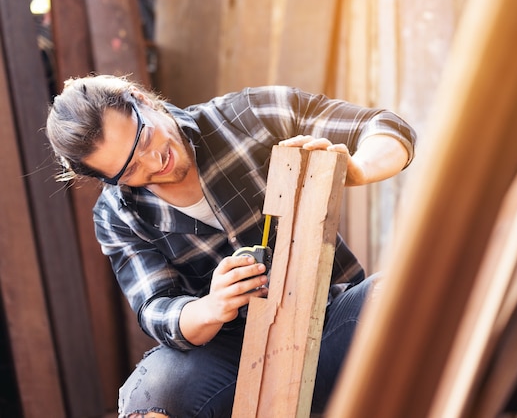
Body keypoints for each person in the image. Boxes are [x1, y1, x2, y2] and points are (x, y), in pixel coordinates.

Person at [45, 74, 416, 418]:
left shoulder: (249, 115)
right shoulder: (117, 215)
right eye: (130, 170)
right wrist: (212, 307)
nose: (154, 162)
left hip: (330, 319)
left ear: (142, 100)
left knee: (402, 296)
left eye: (143, 139)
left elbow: (387, 128)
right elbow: (155, 309)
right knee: (151, 398)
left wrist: (355, 169)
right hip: (229, 357)